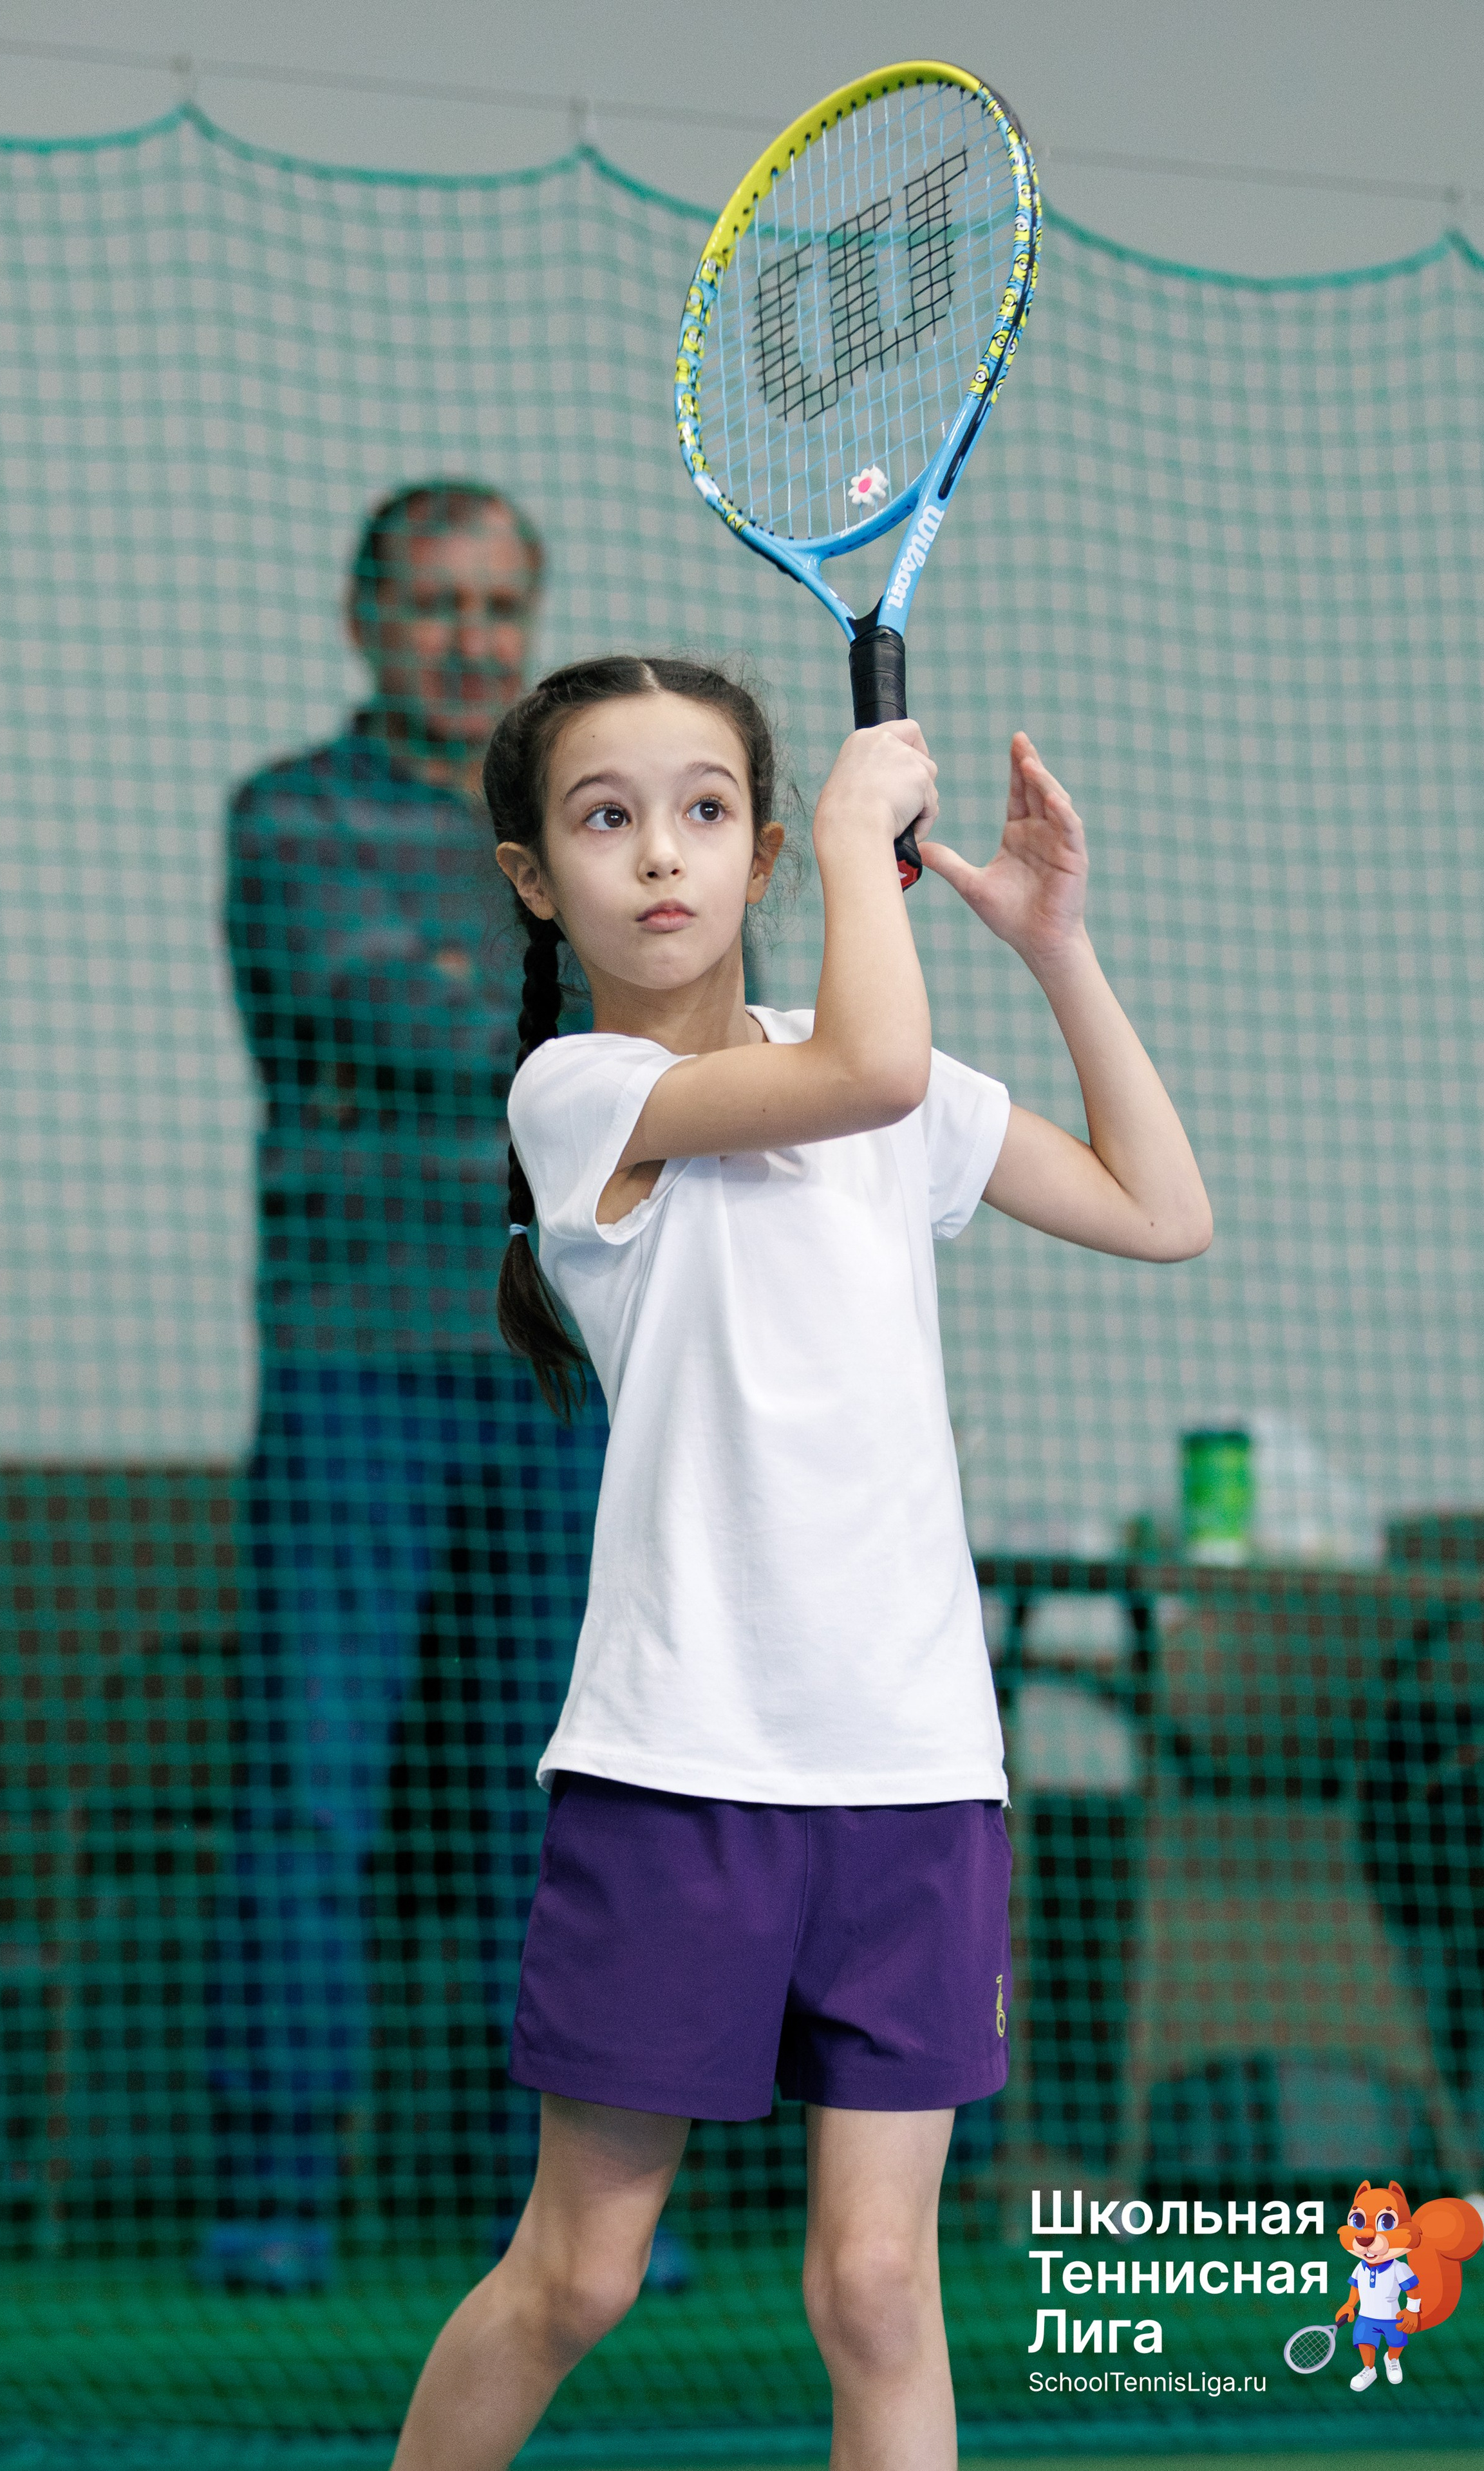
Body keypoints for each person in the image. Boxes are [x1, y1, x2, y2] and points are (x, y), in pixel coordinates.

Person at [391, 653, 1212, 2470]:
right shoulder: (577, 1094)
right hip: (679, 1774)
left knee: (877, 2290)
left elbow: (1164, 1213)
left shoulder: (885, 1090)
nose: (661, 858)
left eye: (705, 813)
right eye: (605, 820)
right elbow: (867, 1062)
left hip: (918, 1778)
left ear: (751, 852)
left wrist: (1056, 944)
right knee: (579, 2277)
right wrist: (859, 839)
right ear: (536, 876)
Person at [201, 484, 607, 2294]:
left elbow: (669, 1018)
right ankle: (281, 2192)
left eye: (499, 607)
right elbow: (387, 1010)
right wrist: (554, 1017)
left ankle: (574, 2206)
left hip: (563, 1378)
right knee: (314, 1789)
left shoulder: (586, 823)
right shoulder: (290, 815)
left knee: (579, 1786)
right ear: (366, 617)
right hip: (356, 1369)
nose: (471, 638)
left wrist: (535, 1005)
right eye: (436, 604)